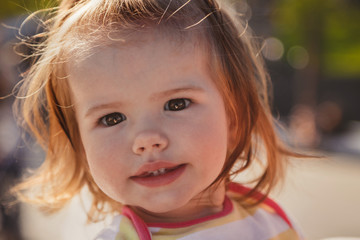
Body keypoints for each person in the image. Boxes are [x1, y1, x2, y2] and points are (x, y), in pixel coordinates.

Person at [12, 0, 304, 239]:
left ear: (233, 114)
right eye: (112, 118)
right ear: (81, 144)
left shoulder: (267, 222)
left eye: (176, 104)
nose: (146, 139)